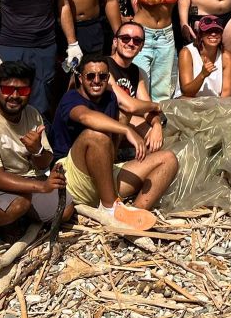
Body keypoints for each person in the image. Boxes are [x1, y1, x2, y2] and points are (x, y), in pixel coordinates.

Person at [50, 53, 177, 229]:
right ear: (80, 78)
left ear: (108, 78)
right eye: (90, 76)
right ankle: (110, 208)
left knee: (169, 158)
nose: (96, 81)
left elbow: (133, 106)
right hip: (72, 176)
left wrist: (156, 120)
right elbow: (86, 116)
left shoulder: (110, 97)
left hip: (105, 174)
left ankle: (132, 213)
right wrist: (127, 130)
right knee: (96, 135)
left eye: (102, 76)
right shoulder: (71, 98)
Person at [0, 61, 74, 239]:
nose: (15, 96)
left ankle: (19, 218)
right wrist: (43, 186)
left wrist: (37, 150)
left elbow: (45, 161)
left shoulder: (32, 114)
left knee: (65, 210)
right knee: (19, 204)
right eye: (8, 90)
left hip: (23, 178)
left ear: (30, 91)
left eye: (23, 90)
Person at [105, 22, 165, 153]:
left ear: (142, 47)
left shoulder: (138, 73)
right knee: (124, 113)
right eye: (125, 38)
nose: (131, 43)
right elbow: (128, 105)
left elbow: (146, 107)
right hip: (101, 124)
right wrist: (156, 106)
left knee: (155, 137)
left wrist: (157, 125)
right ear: (115, 42)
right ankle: (110, 161)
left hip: (123, 125)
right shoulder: (104, 66)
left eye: (137, 40)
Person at [177, 15, 231, 98]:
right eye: (208, 31)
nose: (214, 34)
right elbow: (186, 92)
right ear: (200, 35)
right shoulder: (187, 53)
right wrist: (202, 75)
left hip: (215, 103)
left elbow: (226, 93)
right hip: (189, 100)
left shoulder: (227, 57)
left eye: (217, 31)